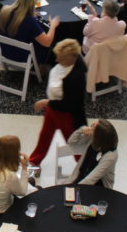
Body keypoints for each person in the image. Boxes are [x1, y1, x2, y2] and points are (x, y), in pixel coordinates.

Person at [29, 39, 86, 168]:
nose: (56, 61)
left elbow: (69, 103)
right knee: (45, 136)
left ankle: (83, 166)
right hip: (53, 109)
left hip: (66, 115)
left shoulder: (76, 77)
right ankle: (34, 161)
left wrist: (46, 102)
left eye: (60, 58)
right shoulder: (72, 63)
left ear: (69, 59)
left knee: (73, 142)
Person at [0, 0, 59, 65]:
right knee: (45, 46)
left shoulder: (5, 10)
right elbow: (47, 43)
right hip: (21, 56)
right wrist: (53, 26)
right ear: (32, 6)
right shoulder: (30, 21)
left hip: (5, 49)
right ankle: (41, 67)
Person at [64, 119, 119, 188]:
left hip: (98, 188)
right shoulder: (92, 138)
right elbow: (71, 142)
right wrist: (81, 130)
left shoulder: (111, 156)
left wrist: (74, 189)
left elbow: (91, 180)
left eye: (93, 126)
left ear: (99, 135)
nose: (90, 127)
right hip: (81, 179)